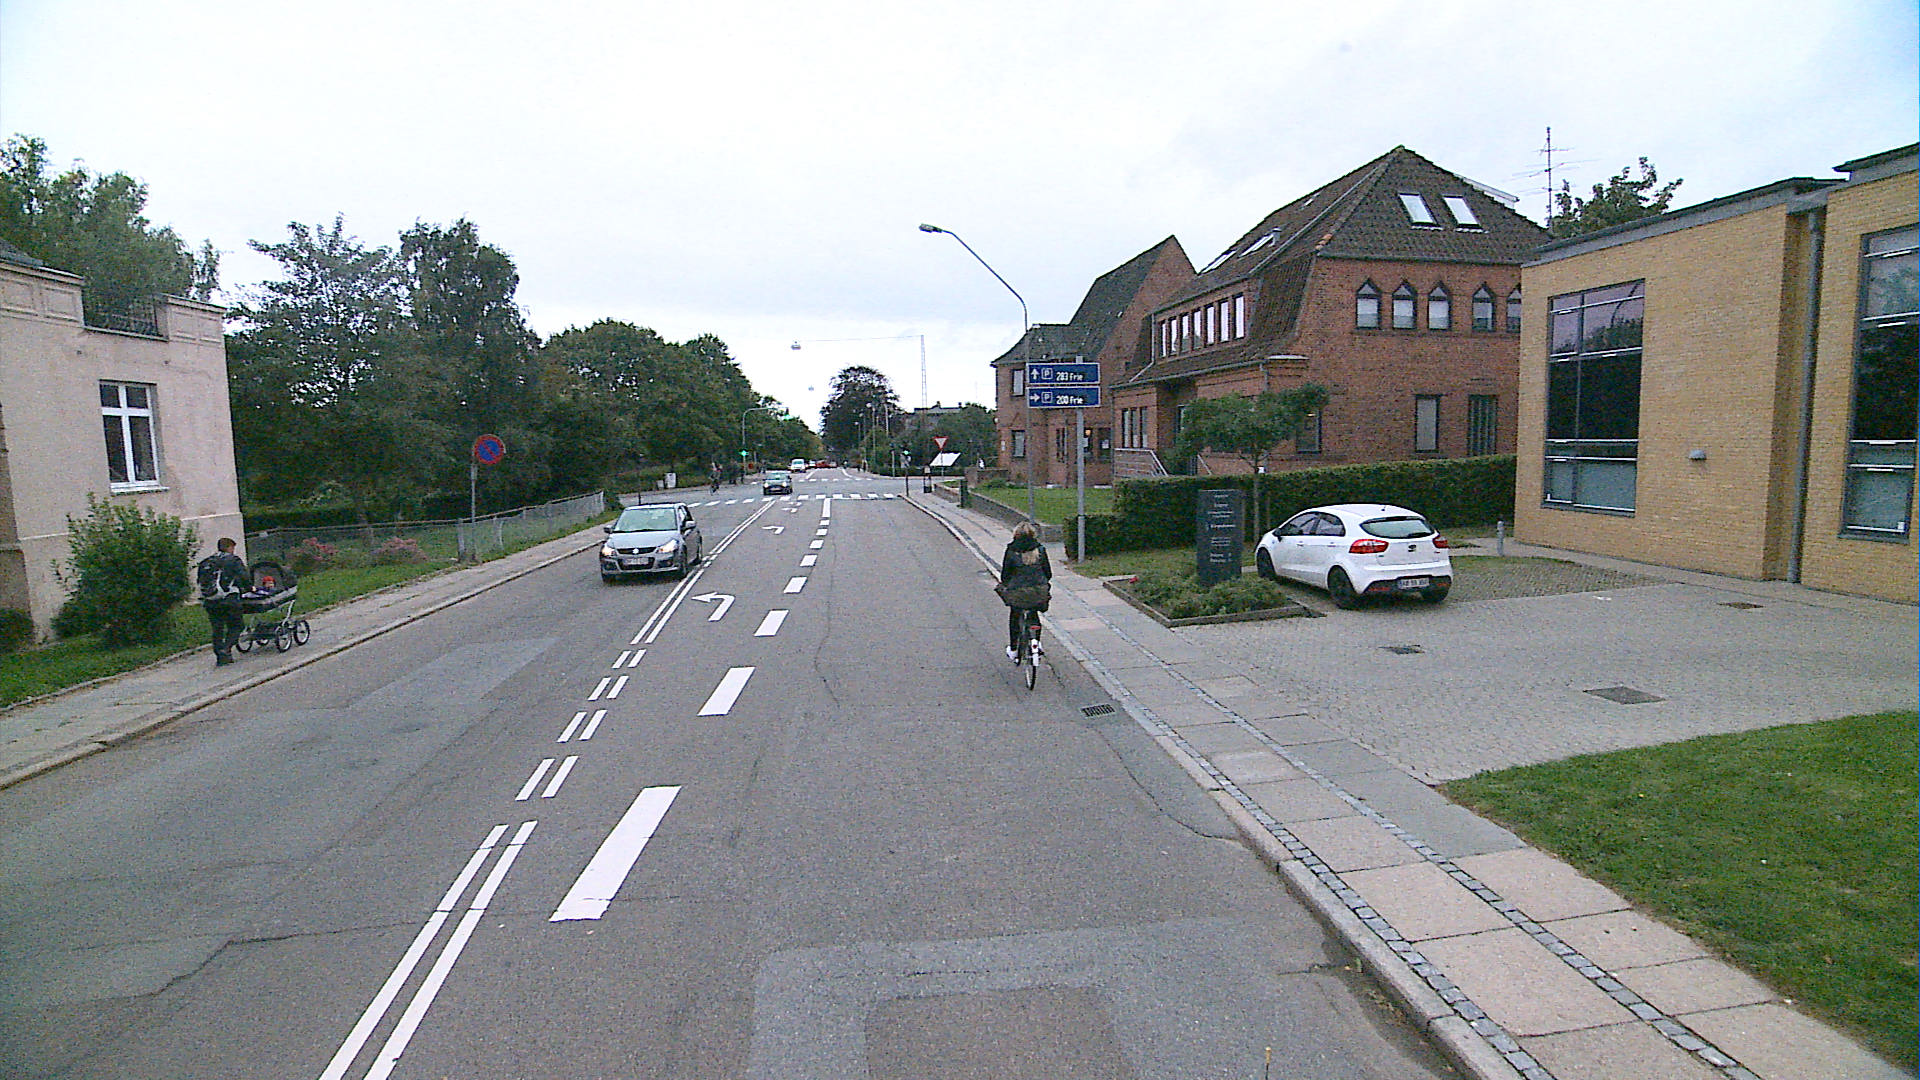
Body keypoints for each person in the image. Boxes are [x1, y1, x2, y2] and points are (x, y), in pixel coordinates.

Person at [998, 520, 1052, 662]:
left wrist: (1006, 585)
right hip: (1038, 592)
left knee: (1015, 616)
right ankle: (1036, 643)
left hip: (1018, 593)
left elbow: (1005, 576)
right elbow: (1048, 573)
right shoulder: (1040, 550)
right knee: (1034, 613)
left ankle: (1013, 649)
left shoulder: (1011, 551)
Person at [196, 537, 250, 666]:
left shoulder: (206, 562)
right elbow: (244, 577)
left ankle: (220, 655)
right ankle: (226, 649)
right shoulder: (233, 560)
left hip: (210, 600)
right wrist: (249, 588)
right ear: (230, 547)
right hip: (228, 598)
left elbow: (199, 580)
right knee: (237, 625)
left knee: (217, 628)